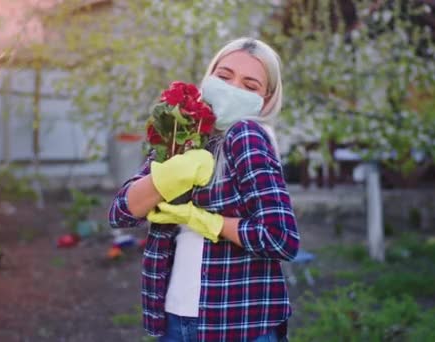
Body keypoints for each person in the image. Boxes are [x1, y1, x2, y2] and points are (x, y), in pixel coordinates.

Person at [108, 37, 300, 342]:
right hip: (175, 319)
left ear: (266, 98)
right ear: (209, 76)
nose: (233, 89)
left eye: (250, 86)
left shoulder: (246, 135)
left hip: (238, 323)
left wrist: (205, 221)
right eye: (224, 77)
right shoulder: (184, 134)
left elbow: (281, 238)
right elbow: (120, 213)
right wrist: (164, 179)